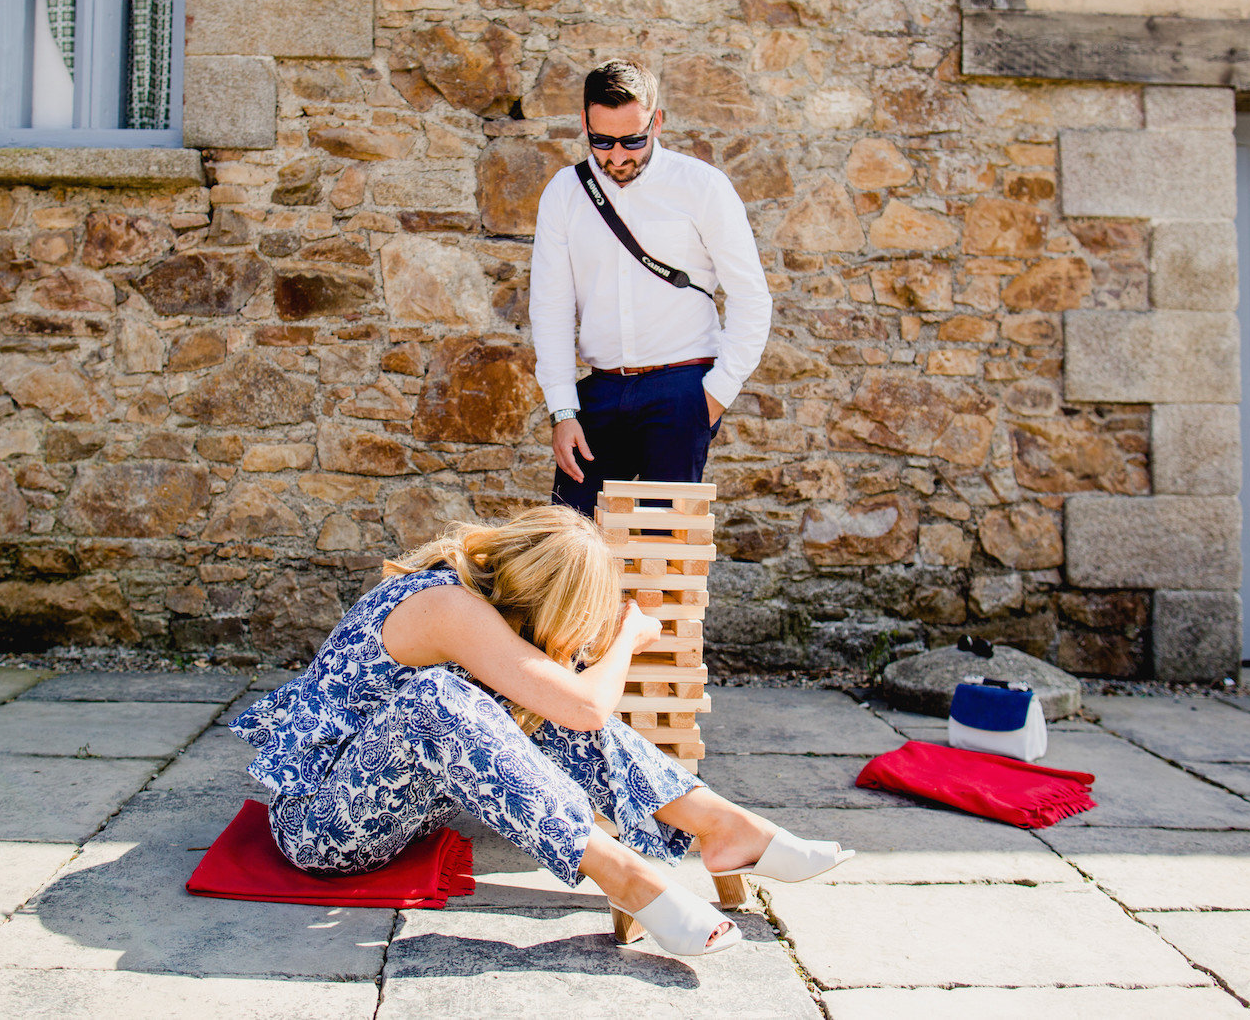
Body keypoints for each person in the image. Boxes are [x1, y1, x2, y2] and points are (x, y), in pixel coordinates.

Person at [230, 506, 851, 956]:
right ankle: (627, 876)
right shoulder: (447, 608)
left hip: (385, 795)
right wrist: (629, 639)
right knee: (447, 701)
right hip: (320, 828)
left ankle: (724, 829)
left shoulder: (483, 600)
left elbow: (573, 713)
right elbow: (587, 707)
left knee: (543, 708)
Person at [530, 59, 772, 516]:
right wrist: (563, 411)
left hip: (682, 388)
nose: (617, 157)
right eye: (601, 141)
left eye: (632, 140)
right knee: (567, 543)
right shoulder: (564, 193)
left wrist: (715, 395)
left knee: (666, 550)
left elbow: (751, 297)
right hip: (599, 393)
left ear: (657, 122)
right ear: (584, 124)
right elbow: (550, 308)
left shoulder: (702, 187)